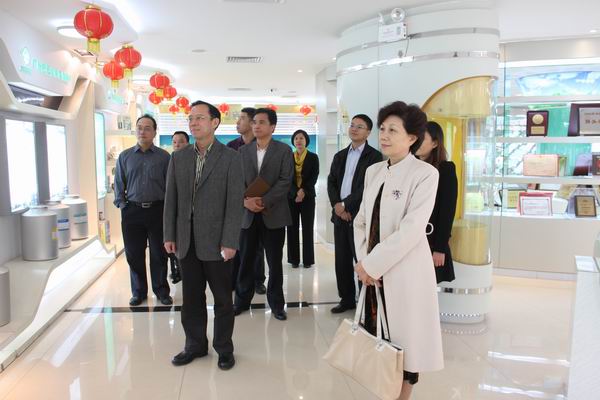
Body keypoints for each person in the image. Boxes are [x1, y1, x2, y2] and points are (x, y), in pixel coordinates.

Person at [354, 101, 444, 400]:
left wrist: (373, 265)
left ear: (412, 137)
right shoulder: (374, 171)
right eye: (382, 128)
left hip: (405, 272)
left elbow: (412, 229)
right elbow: (361, 221)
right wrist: (364, 264)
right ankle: (383, 392)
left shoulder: (425, 174)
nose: (384, 135)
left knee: (405, 343)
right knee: (377, 337)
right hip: (372, 273)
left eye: (393, 130)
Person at [163, 100, 243, 370]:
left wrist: (230, 241)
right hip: (186, 241)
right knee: (191, 299)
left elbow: (234, 204)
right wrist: (169, 234)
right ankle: (195, 345)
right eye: (190, 118)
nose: (193, 123)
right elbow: (171, 201)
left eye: (199, 118)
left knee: (223, 299)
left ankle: (224, 348)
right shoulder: (178, 157)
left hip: (218, 242)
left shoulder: (231, 158)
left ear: (214, 122)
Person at [234, 108, 293, 321]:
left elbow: (286, 180)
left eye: (261, 122)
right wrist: (246, 201)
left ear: (272, 127)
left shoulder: (283, 150)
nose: (256, 126)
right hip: (247, 215)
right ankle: (241, 300)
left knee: (275, 262)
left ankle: (277, 304)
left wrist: (264, 201)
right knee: (246, 260)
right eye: (254, 122)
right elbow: (236, 180)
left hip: (274, 213)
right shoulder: (243, 151)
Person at [114, 114, 172, 307]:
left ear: (154, 132)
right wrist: (123, 205)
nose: (143, 131)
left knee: (159, 254)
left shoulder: (164, 157)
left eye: (147, 128)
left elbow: (170, 187)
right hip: (132, 212)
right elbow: (119, 183)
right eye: (139, 127)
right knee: (134, 255)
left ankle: (161, 291)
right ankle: (138, 292)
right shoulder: (125, 156)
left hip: (158, 211)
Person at [327, 114, 382, 313]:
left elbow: (366, 188)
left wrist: (346, 206)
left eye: (360, 126)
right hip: (340, 217)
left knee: (362, 260)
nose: (354, 129)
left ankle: (365, 302)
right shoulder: (340, 155)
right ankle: (347, 299)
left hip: (360, 218)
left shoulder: (374, 157)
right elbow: (331, 182)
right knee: (341, 261)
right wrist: (337, 206)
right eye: (352, 125)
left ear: (368, 132)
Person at [227, 107, 267, 295]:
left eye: (242, 118)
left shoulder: (263, 146)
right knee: (235, 244)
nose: (237, 122)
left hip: (260, 204)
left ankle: (258, 280)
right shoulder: (231, 146)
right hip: (237, 205)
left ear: (252, 123)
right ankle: (234, 279)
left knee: (257, 247)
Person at [416, 121, 458, 283]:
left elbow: (447, 211)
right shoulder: (411, 168)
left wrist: (440, 248)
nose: (417, 141)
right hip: (411, 237)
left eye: (422, 138)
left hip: (431, 238)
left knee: (426, 284)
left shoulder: (445, 169)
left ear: (434, 143)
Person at [287, 129, 319, 269]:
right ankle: (294, 260)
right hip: (291, 198)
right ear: (293, 142)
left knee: (307, 228)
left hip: (308, 197)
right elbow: (286, 177)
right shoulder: (288, 157)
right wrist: (296, 192)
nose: (298, 141)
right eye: (296, 138)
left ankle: (308, 260)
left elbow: (314, 177)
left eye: (301, 138)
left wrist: (303, 191)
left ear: (306, 141)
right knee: (292, 228)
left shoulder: (313, 157)